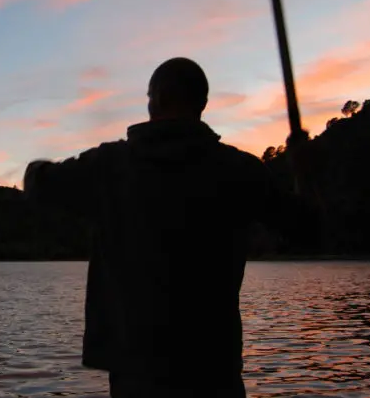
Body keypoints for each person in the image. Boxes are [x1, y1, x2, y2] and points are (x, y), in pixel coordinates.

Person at [23, 57, 314, 398]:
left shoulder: (110, 166)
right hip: (214, 373)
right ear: (202, 104)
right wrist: (305, 174)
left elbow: (37, 184)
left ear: (157, 99)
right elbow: (308, 228)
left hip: (137, 376)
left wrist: (35, 167)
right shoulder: (240, 171)